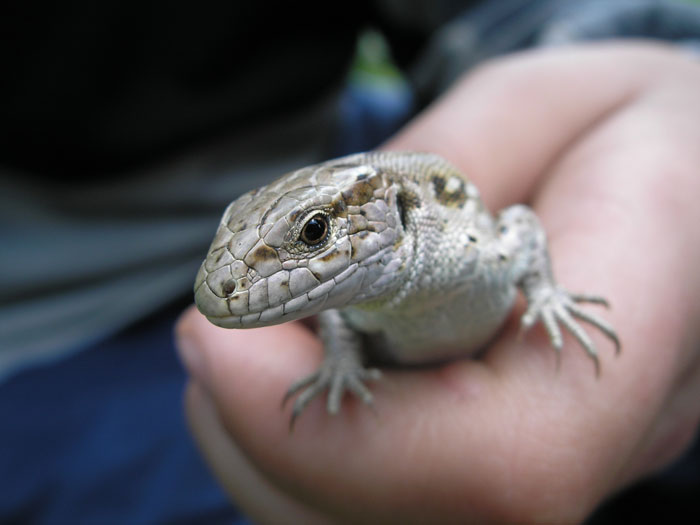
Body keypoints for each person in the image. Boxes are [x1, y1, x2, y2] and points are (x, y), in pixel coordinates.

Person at [2, 0, 699, 523]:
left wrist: (660, 70)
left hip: (330, 135)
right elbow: (343, 316)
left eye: (313, 233)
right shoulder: (340, 291)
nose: (227, 283)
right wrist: (338, 359)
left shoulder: (462, 242)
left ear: (392, 213)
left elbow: (519, 227)